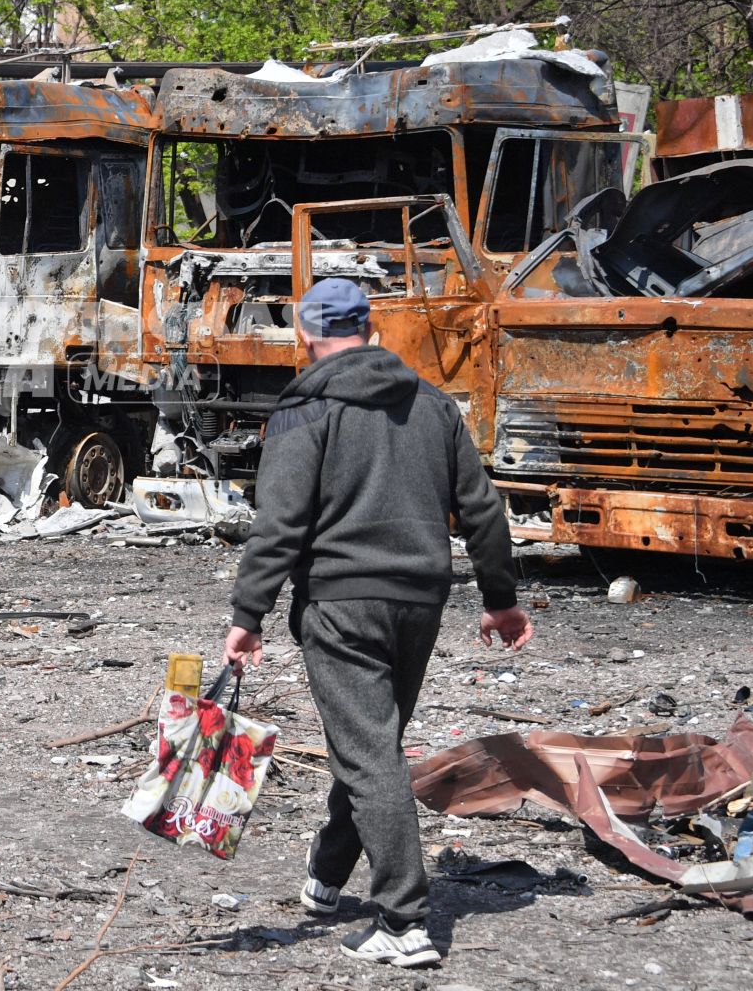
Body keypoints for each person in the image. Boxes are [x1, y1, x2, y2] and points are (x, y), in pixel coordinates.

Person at [222, 277, 533, 968]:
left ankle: (404, 921)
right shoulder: (432, 406)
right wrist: (500, 598)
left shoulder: (304, 410)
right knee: (372, 742)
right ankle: (329, 877)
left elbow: (279, 526)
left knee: (368, 752)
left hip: (341, 603)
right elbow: (482, 509)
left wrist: (249, 615)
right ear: (371, 330)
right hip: (421, 600)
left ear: (305, 335)